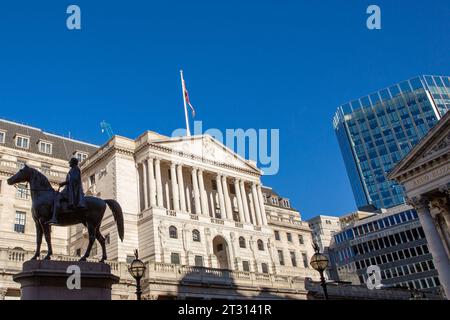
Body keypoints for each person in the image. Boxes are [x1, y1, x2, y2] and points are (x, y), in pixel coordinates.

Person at [48, 157, 86, 225]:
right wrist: (64, 183)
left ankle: (54, 218)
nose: (69, 163)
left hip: (71, 191)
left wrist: (64, 183)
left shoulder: (76, 169)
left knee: (57, 197)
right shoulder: (72, 170)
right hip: (68, 189)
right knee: (56, 195)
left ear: (73, 163)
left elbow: (73, 180)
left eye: (70, 162)